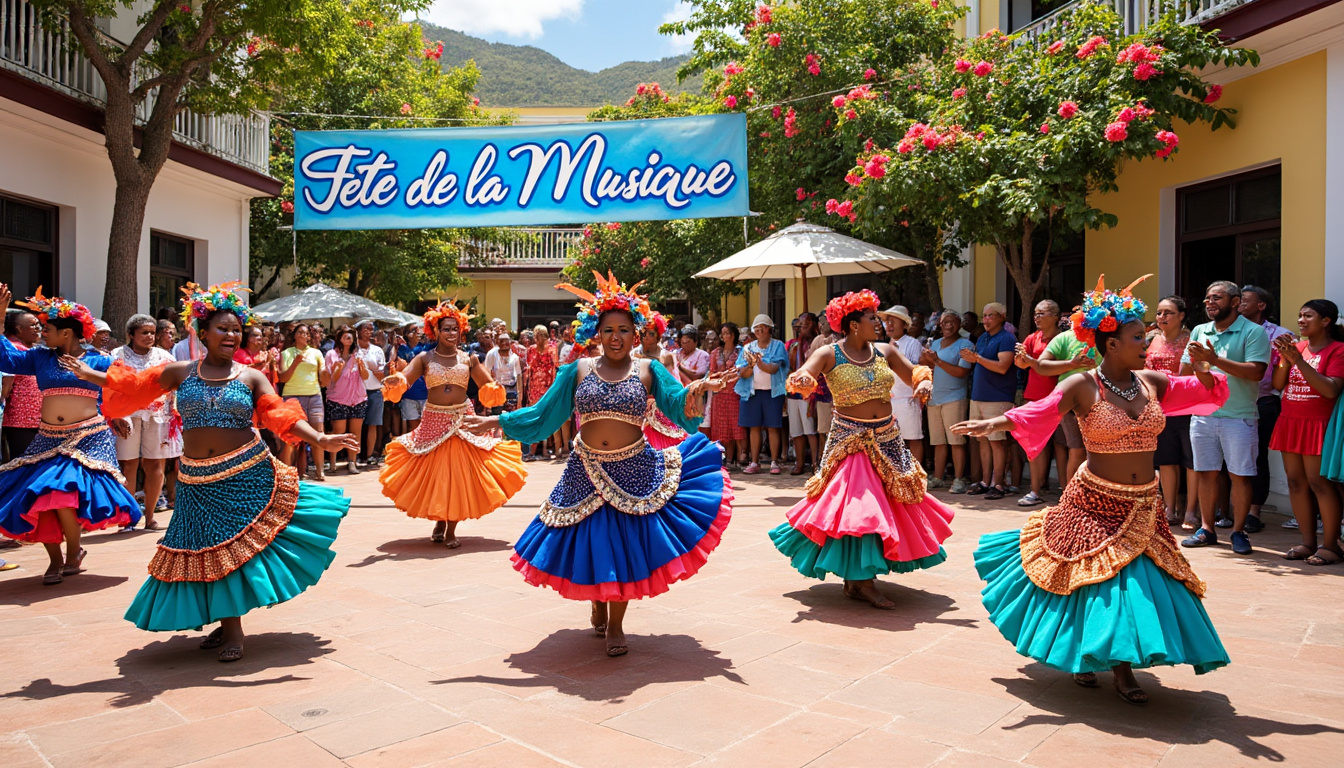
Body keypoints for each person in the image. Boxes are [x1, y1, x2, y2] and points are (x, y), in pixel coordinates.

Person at [955, 275, 1231, 703]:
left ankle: (1109, 660)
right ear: (1112, 343)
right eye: (1139, 336)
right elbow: (1039, 410)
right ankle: (1115, 667)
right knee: (1099, 581)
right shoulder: (1083, 384)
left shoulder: (1151, 381)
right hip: (1095, 499)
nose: (1147, 341)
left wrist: (1204, 369)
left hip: (1144, 502)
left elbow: (1206, 397)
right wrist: (992, 423)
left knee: (1130, 582)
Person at [72, 283, 354, 663]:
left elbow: (278, 414)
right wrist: (91, 375)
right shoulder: (179, 371)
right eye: (223, 328)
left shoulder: (251, 377)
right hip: (196, 481)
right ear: (202, 333)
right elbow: (134, 385)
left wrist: (320, 437)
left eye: (236, 329)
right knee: (206, 552)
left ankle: (233, 631)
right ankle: (225, 623)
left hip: (245, 475)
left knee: (231, 550)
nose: (232, 335)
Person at [463, 273, 734, 657]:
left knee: (623, 548)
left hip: (635, 468)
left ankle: (617, 625)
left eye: (624, 329)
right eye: (609, 330)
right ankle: (596, 600)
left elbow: (677, 405)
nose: (617, 337)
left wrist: (700, 389)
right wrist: (496, 420)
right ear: (596, 332)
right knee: (592, 544)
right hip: (584, 468)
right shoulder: (577, 370)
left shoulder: (649, 370)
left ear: (635, 334)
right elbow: (544, 414)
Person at [774, 290, 949, 609]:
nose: (878, 323)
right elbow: (806, 373)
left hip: (887, 437)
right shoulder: (829, 353)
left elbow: (914, 374)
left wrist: (923, 383)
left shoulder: (885, 351)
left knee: (886, 506)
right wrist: (801, 381)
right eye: (872, 318)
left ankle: (857, 579)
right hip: (849, 441)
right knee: (861, 509)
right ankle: (863, 582)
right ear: (853, 325)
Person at [0, 286, 141, 585]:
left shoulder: (100, 360)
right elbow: (5, 358)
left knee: (60, 491)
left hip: (87, 436)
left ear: (66, 333)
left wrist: (118, 415)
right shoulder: (40, 357)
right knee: (35, 493)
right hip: (47, 437)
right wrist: (0, 315)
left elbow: (125, 388)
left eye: (47, 329)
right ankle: (56, 559)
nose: (41, 333)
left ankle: (74, 551)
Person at [380, 302, 526, 547]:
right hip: (433, 419)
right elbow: (405, 380)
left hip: (461, 418)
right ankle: (440, 519)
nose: (451, 333)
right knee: (437, 476)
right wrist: (396, 380)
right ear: (435, 332)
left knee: (458, 475)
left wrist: (495, 387)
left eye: (455, 329)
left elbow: (486, 385)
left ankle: (450, 529)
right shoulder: (424, 357)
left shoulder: (469, 359)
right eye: (446, 329)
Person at [1179, 280, 1272, 555]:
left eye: (1217, 298)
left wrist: (1214, 360)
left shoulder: (1253, 332)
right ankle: (1207, 529)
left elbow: (1256, 372)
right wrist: (1202, 367)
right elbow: (1187, 371)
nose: (1210, 303)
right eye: (1207, 298)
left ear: (1234, 302)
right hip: (1204, 415)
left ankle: (1238, 532)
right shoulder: (1199, 330)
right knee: (1206, 474)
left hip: (1239, 416)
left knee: (1240, 476)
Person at [1271, 299, 1344, 565]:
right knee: (1295, 483)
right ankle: (1307, 541)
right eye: (1300, 315)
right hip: (1291, 420)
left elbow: (1330, 390)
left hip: (1319, 424)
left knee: (1320, 484)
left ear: (1326, 321)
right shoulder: (1296, 348)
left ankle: (1330, 545)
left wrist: (1298, 361)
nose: (1301, 320)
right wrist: (1284, 359)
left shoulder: (1338, 351)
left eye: (1308, 316)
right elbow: (1279, 384)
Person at [110, 314, 179, 531]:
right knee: (128, 464)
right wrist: (116, 415)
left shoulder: (165, 357)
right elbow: (110, 385)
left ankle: (150, 518)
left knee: (155, 464)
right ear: (131, 334)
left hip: (158, 415)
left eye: (152, 332)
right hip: (126, 415)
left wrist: (175, 412)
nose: (149, 336)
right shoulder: (117, 355)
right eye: (144, 332)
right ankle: (128, 518)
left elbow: (174, 385)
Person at [1238, 286, 1293, 530]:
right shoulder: (1230, 330)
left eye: (1245, 301)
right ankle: (1228, 509)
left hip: (1264, 400)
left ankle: (1254, 512)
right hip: (1233, 400)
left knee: (1257, 455)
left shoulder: (1282, 335)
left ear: (1261, 305)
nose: (1239, 305)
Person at [1146, 296, 1199, 529]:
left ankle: (1191, 511)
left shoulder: (1192, 340)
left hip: (1189, 408)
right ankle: (1170, 508)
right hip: (1161, 408)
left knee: (1192, 461)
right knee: (1166, 461)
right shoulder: (1151, 339)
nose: (1162, 317)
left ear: (1181, 315)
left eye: (1168, 312)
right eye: (1159, 313)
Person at [1013, 300, 1068, 507]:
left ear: (1055, 316)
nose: (1036, 317)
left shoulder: (1063, 338)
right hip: (1034, 396)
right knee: (1036, 447)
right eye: (1035, 313)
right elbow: (1021, 365)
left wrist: (1030, 361)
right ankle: (1035, 491)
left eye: (1041, 313)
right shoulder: (1032, 338)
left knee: (1062, 446)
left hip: (1060, 396)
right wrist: (1021, 358)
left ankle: (1066, 492)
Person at [962, 303, 1018, 500]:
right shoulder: (983, 338)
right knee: (982, 440)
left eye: (990, 316)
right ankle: (986, 482)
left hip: (997, 397)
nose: (985, 320)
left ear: (1002, 317)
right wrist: (973, 358)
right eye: (984, 316)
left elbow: (1003, 367)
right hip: (978, 396)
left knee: (997, 442)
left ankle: (999, 484)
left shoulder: (1007, 338)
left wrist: (976, 358)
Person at [1035, 327, 1099, 487]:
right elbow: (1041, 365)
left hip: (1103, 401)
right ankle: (1071, 500)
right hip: (1071, 403)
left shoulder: (1108, 336)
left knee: (1100, 453)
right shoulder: (1064, 337)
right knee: (1077, 450)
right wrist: (1071, 364)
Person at [920, 310, 973, 494]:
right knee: (938, 441)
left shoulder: (965, 344)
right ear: (939, 325)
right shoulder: (934, 343)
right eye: (945, 323)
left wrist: (937, 361)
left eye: (953, 322)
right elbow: (927, 366)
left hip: (954, 398)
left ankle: (959, 479)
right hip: (935, 398)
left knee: (956, 441)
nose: (949, 326)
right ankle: (938, 477)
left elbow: (961, 372)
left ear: (959, 324)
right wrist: (926, 359)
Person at [736, 314, 789, 474]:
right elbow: (742, 373)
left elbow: (773, 368)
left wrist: (759, 362)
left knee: (773, 427)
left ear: (769, 329)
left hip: (773, 393)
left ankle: (774, 462)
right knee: (754, 427)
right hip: (752, 393)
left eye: (762, 327)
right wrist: (751, 365)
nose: (759, 330)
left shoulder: (778, 345)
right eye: (756, 328)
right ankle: (754, 462)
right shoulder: (747, 348)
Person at [278, 324, 328, 481]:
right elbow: (282, 378)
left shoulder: (316, 353)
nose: (303, 335)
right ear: (294, 336)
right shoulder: (286, 353)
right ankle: (288, 472)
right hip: (292, 396)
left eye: (306, 333)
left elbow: (324, 380)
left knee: (318, 433)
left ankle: (320, 471)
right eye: (300, 332)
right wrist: (295, 363)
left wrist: (328, 371)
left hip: (314, 396)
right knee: (291, 436)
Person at [633, 313, 689, 450]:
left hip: (660, 406)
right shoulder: (632, 354)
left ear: (658, 335)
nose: (646, 337)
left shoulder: (666, 356)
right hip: (638, 405)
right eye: (644, 333)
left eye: (651, 333)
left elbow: (671, 383)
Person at [879, 305, 926, 467]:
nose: (889, 325)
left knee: (913, 437)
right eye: (887, 322)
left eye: (893, 321)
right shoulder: (885, 345)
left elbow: (913, 369)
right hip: (889, 399)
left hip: (908, 398)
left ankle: (915, 474)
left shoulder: (912, 343)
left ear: (905, 325)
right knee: (890, 439)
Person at [324, 325, 369, 475]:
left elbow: (366, 377)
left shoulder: (358, 354)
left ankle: (352, 463)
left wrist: (362, 366)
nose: (348, 338)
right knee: (338, 432)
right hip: (338, 398)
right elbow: (332, 379)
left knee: (355, 433)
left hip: (358, 397)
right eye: (345, 335)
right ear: (339, 338)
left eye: (350, 335)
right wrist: (339, 367)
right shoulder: (332, 354)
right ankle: (332, 463)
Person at [3, 309, 42, 460]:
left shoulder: (33, 349)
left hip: (37, 419)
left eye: (38, 324)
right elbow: (6, 385)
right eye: (33, 325)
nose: (38, 328)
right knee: (22, 464)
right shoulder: (13, 349)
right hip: (20, 421)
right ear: (19, 329)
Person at [709, 322, 747, 468]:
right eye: (723, 333)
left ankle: (741, 457)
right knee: (722, 428)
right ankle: (727, 459)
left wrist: (728, 379)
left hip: (735, 392)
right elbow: (712, 372)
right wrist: (719, 378)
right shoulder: (715, 352)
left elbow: (741, 371)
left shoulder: (740, 352)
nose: (725, 336)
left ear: (734, 335)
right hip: (719, 393)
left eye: (727, 333)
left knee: (737, 427)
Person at [786, 313, 820, 475]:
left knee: (810, 430)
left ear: (814, 325)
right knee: (796, 430)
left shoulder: (818, 343)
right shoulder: (793, 345)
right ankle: (799, 463)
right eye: (800, 325)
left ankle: (815, 463)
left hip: (811, 392)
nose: (801, 329)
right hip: (794, 393)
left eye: (805, 325)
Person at [522, 325, 559, 460]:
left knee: (545, 417)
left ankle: (544, 449)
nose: (537, 338)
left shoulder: (551, 349)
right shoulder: (531, 350)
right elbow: (529, 369)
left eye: (540, 335)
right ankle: (533, 450)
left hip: (547, 387)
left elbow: (554, 368)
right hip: (535, 388)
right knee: (536, 417)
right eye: (536, 336)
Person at [355, 320, 387, 467]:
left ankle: (368, 456)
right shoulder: (354, 349)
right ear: (358, 331)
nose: (369, 331)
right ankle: (355, 455)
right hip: (356, 391)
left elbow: (382, 375)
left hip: (374, 390)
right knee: (357, 425)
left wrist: (373, 369)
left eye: (371, 329)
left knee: (373, 424)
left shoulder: (377, 350)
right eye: (365, 328)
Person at [393, 325, 429, 431]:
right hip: (408, 394)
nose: (418, 333)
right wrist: (395, 346)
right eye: (414, 331)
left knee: (426, 425)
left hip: (426, 394)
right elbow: (395, 365)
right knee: (413, 426)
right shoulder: (402, 349)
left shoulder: (425, 348)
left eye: (419, 331)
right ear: (407, 334)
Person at [485, 331, 522, 414]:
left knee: (510, 417)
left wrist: (520, 396)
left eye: (506, 341)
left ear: (510, 342)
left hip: (511, 390)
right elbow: (486, 373)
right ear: (497, 343)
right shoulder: (492, 355)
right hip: (496, 390)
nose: (504, 343)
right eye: (501, 341)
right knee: (496, 417)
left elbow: (519, 376)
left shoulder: (515, 357)